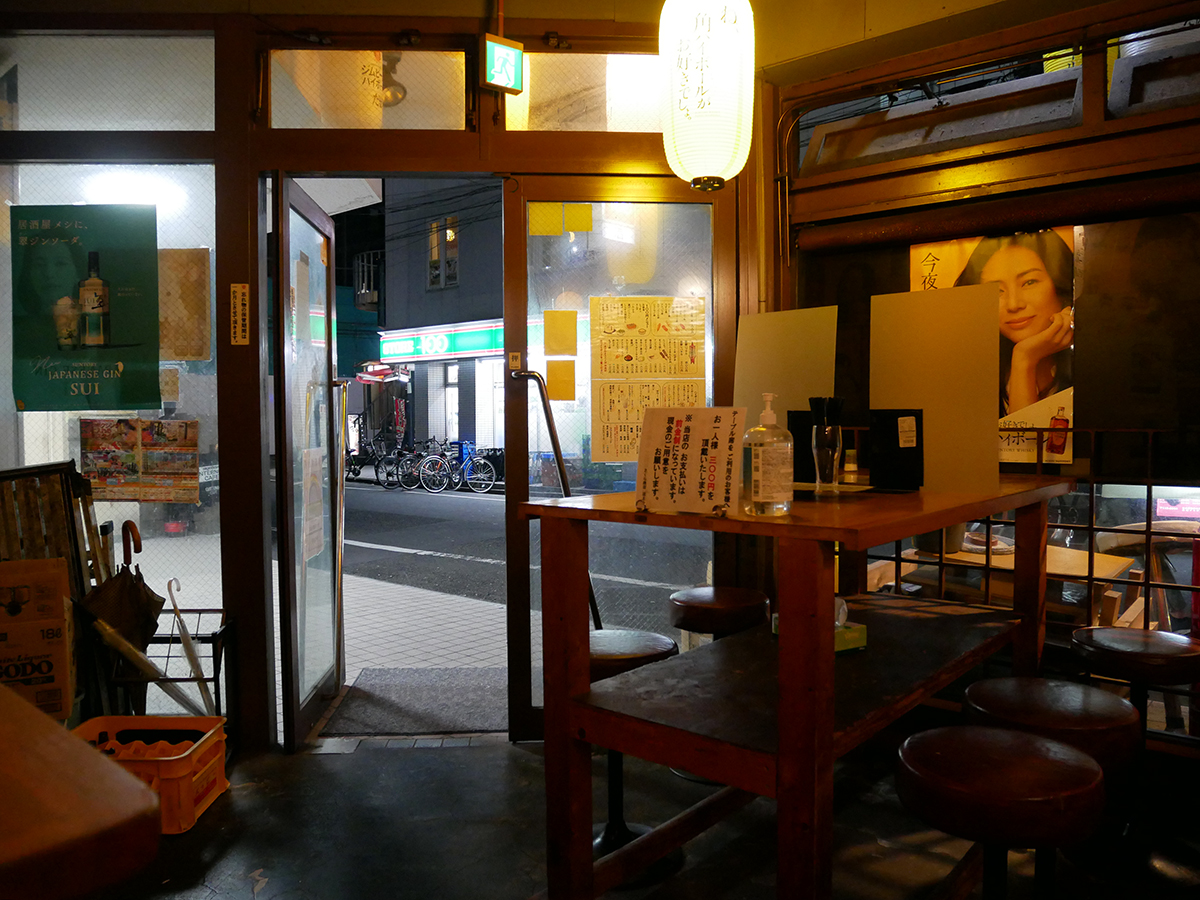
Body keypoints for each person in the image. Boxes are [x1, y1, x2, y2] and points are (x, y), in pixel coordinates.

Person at [954, 230, 1074, 416]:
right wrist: (1024, 359)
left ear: (1060, 287)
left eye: (1029, 282)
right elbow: (1023, 436)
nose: (1013, 304)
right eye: (997, 290)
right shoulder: (967, 374)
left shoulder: (1095, 366)